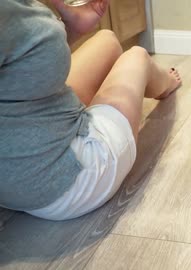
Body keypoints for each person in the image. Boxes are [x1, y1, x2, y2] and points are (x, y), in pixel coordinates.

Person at [0, 0, 181, 220]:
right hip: (62, 181)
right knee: (137, 56)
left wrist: (70, 27)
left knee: (108, 39)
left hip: (12, 178)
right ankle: (165, 85)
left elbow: (21, 61)